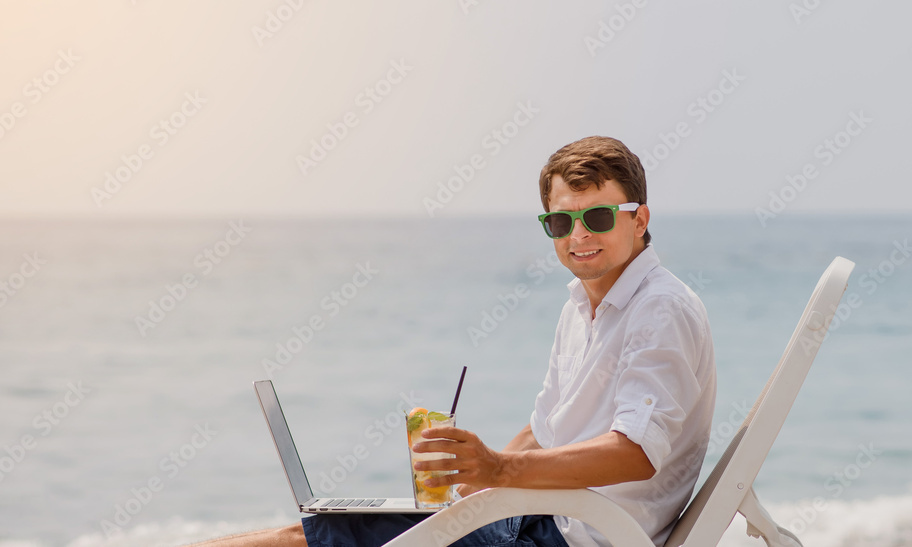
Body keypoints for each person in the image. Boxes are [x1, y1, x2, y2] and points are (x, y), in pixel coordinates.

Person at [191, 136, 716, 547]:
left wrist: (500, 470)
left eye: (597, 217)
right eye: (561, 220)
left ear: (639, 219)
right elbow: (545, 428)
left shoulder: (658, 308)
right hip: (542, 521)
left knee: (332, 538)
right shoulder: (580, 306)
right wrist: (473, 486)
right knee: (350, 526)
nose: (578, 235)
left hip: (572, 536)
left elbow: (636, 452)